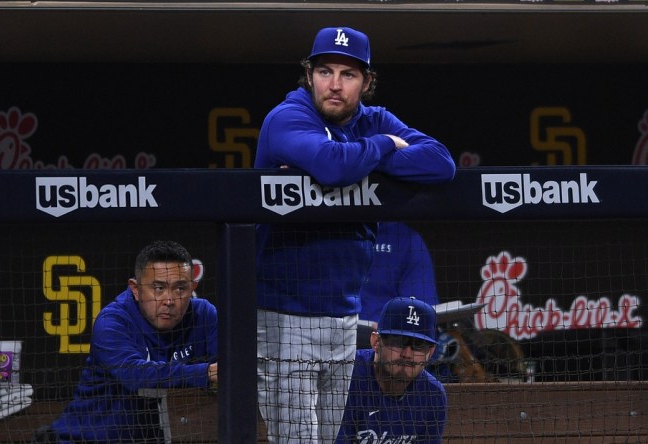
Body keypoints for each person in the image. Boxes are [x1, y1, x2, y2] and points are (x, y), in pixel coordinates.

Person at [255, 26, 455, 443]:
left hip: (343, 317)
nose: (334, 84)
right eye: (325, 71)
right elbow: (331, 165)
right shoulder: (288, 117)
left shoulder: (372, 119)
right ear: (308, 75)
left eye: (348, 75)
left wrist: (365, 158)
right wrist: (384, 146)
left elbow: (441, 162)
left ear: (366, 82)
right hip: (284, 314)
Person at [37, 240, 218, 443]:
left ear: (192, 287)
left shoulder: (203, 315)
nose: (169, 300)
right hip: (85, 439)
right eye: (159, 288)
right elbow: (135, 375)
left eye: (180, 289)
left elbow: (228, 370)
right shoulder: (113, 321)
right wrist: (205, 373)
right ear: (136, 289)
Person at [336, 297, 447, 443]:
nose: (407, 354)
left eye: (418, 345)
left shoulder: (433, 395)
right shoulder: (346, 376)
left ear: (430, 353)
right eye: (398, 342)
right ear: (376, 342)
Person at [357, 222, 439, 348]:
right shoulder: (329, 232)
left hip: (390, 342)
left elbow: (420, 308)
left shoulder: (407, 239)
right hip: (334, 334)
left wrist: (391, 326)